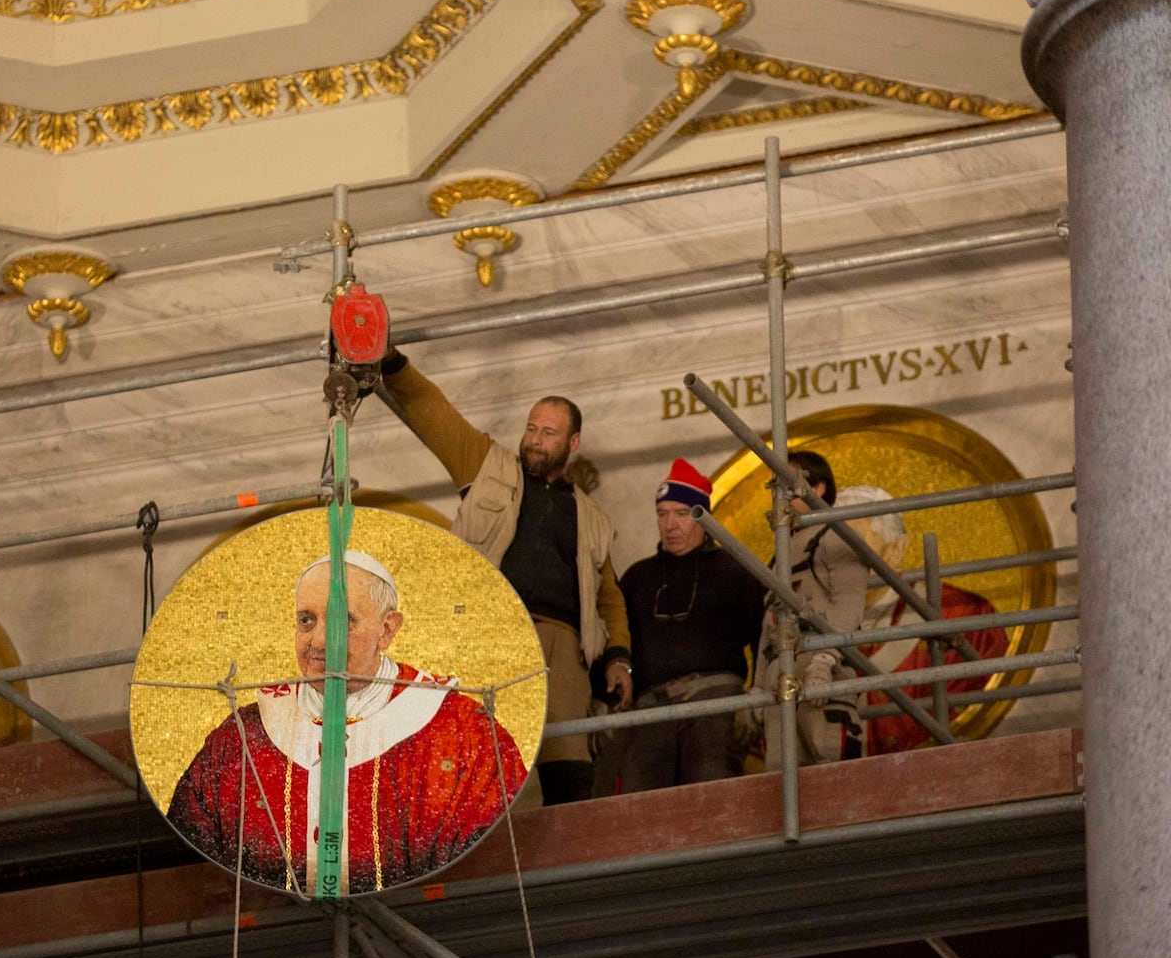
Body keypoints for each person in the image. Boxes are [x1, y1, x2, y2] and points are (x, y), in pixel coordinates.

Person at [165, 551, 527, 895]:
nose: (320, 641)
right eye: (306, 620)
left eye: (342, 620)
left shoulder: (462, 734)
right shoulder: (243, 737)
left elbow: (491, 864)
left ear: (387, 630)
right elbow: (189, 865)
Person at [378, 348, 633, 805]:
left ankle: (571, 874)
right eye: (531, 428)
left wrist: (619, 658)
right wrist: (390, 360)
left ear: (573, 443)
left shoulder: (593, 517)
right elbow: (432, 411)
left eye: (549, 433)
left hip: (563, 647)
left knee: (570, 775)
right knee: (475, 768)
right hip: (493, 632)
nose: (535, 440)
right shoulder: (486, 464)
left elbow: (608, 598)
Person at [595, 459, 765, 793]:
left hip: (715, 696)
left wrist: (757, 698)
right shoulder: (638, 577)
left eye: (682, 513)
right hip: (649, 706)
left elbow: (764, 638)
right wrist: (602, 699)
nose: (670, 524)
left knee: (710, 787)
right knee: (640, 799)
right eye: (662, 514)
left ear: (704, 517)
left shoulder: (735, 570)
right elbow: (614, 639)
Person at [838, 485, 1011, 754]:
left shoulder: (964, 615)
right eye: (829, 548)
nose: (835, 562)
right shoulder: (810, 622)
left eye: (851, 544)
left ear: (896, 550)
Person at [755, 450, 867, 767]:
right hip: (782, 668)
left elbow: (849, 602)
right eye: (776, 487)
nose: (781, 496)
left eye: (788, 485)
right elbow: (769, 622)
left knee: (832, 761)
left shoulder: (834, 534)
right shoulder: (780, 553)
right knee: (782, 776)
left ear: (817, 488)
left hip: (820, 664)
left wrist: (826, 657)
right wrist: (759, 685)